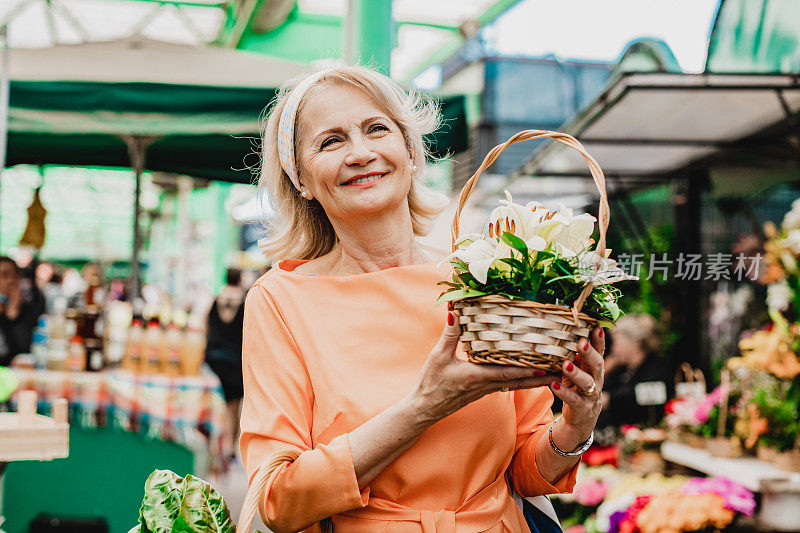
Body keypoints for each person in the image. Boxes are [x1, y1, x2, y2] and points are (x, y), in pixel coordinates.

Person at [240, 66, 606, 533]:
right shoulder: (281, 301)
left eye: (377, 129)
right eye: (331, 141)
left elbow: (526, 469)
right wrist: (427, 405)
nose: (361, 153)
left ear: (410, 153)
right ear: (302, 181)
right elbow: (276, 500)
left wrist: (574, 429)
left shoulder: (481, 276)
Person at [597, 314, 671, 430]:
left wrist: (609, 399)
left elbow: (643, 396)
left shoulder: (657, 367)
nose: (614, 348)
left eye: (617, 342)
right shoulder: (623, 370)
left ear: (634, 343)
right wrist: (605, 370)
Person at [206, 267, 246, 455]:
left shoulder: (215, 300)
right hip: (236, 361)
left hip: (214, 359)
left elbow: (206, 328)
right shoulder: (246, 300)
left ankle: (215, 447)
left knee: (215, 403)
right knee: (234, 408)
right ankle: (230, 447)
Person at [0, 256, 45, 366]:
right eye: (4, 275)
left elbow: (23, 349)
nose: (12, 280)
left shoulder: (24, 309)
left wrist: (13, 311)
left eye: (15, 275)